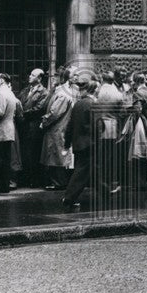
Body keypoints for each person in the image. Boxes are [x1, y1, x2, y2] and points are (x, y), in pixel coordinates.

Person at [62, 76, 98, 210]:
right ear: (93, 91)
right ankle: (68, 198)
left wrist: (67, 144)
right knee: (81, 172)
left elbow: (69, 126)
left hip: (78, 144)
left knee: (86, 169)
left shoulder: (77, 104)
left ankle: (106, 190)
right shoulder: (93, 104)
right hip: (90, 143)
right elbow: (98, 126)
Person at [41, 67, 77, 190]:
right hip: (61, 127)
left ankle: (58, 182)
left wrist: (44, 121)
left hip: (57, 128)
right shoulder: (67, 92)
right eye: (74, 75)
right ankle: (58, 181)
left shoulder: (63, 94)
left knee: (56, 155)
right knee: (57, 155)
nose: (77, 77)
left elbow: (55, 112)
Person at [18, 68, 49, 189]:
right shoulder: (25, 90)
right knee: (25, 153)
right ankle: (26, 178)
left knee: (33, 154)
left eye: (33, 75)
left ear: (39, 78)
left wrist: (23, 114)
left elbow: (39, 109)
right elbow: (18, 102)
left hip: (34, 127)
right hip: (24, 126)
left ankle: (35, 179)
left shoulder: (44, 92)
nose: (30, 76)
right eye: (30, 74)